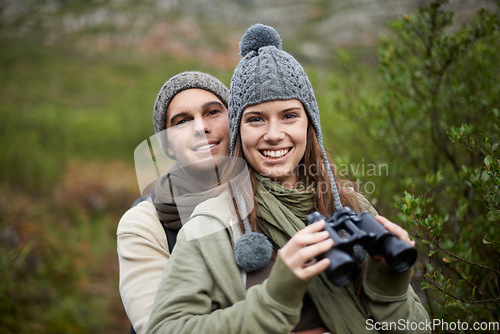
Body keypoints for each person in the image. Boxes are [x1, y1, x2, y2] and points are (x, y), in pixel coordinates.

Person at [146, 24, 430, 334]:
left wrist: (389, 286)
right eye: (255, 119)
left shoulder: (352, 207)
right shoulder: (210, 228)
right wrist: (274, 298)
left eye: (289, 115)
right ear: (238, 132)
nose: (273, 135)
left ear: (310, 125)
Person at [116, 71, 230, 334]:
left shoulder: (269, 197)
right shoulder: (143, 224)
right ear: (167, 145)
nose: (201, 127)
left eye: (213, 112)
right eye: (182, 122)